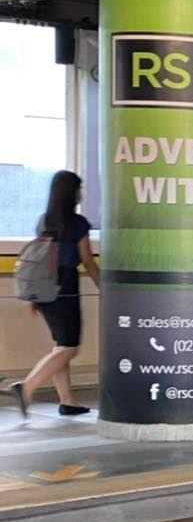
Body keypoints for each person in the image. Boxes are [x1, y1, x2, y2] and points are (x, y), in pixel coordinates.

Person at [9, 171, 99, 418]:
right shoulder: (77, 223)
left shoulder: (44, 221)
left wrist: (34, 297)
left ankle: (67, 400)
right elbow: (87, 260)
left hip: (43, 290)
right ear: (72, 192)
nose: (82, 193)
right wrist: (103, 286)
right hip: (65, 289)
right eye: (80, 189)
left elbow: (39, 259)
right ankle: (26, 388)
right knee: (70, 348)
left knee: (61, 345)